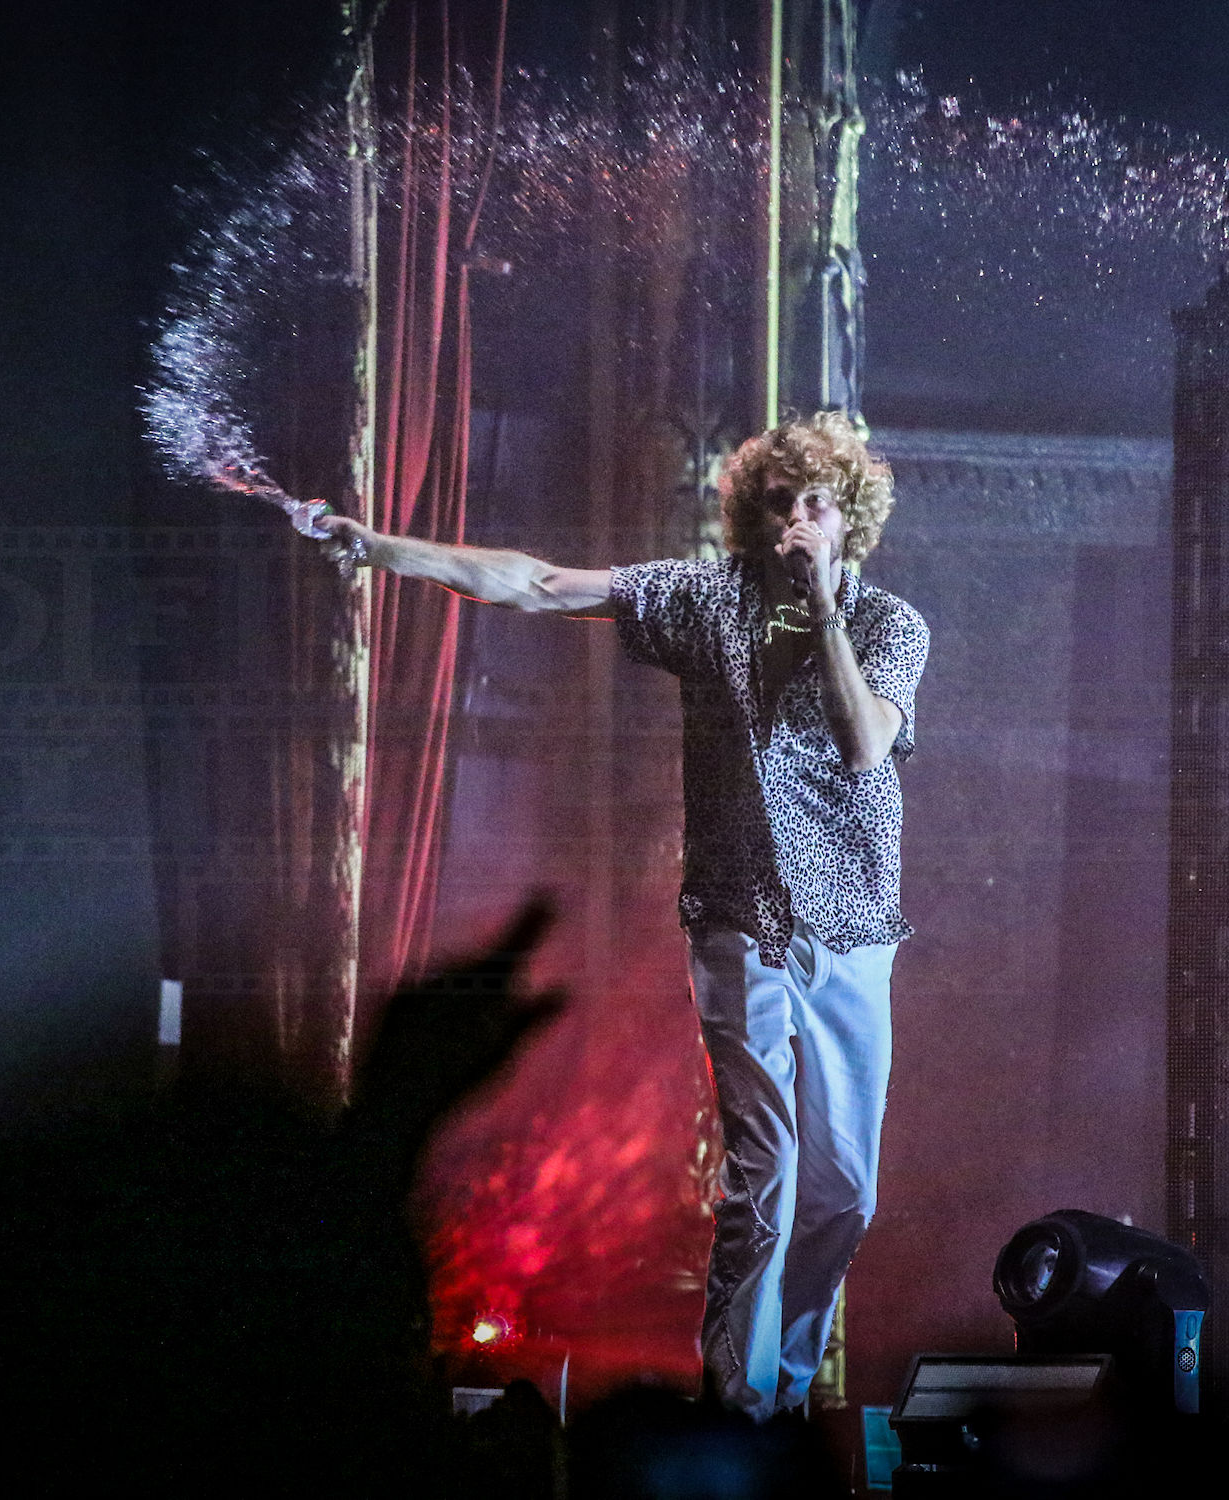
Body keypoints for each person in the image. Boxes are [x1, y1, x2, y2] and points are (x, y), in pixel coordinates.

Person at [317, 411, 929, 1420]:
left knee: (845, 1194)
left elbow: (866, 744)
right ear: (751, 516)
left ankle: (784, 1388)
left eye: (817, 504)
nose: (796, 521)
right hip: (736, 920)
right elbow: (542, 584)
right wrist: (384, 549)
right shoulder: (704, 603)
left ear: (849, 518)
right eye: (780, 502)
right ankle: (743, 1415)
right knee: (766, 1177)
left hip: (852, 927)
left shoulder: (889, 626)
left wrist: (822, 607)